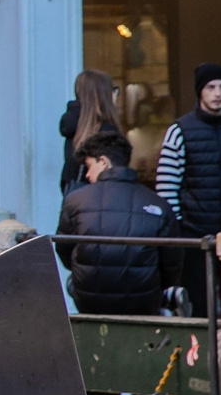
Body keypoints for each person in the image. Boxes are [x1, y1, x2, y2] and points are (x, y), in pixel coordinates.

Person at [155, 63, 221, 315]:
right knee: (200, 306)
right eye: (211, 87)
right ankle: (204, 354)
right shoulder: (179, 131)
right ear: (199, 92)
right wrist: (180, 230)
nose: (217, 93)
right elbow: (167, 189)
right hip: (195, 235)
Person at [54, 133, 175, 314]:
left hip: (89, 299)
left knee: (72, 281)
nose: (87, 174)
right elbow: (171, 265)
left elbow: (64, 251)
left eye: (88, 166)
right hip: (143, 300)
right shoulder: (158, 205)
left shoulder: (75, 200)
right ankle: (168, 303)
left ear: (103, 162)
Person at [57, 70, 123, 195]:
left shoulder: (75, 128)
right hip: (101, 201)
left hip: (76, 203)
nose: (115, 95)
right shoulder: (107, 132)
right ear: (105, 95)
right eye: (113, 90)